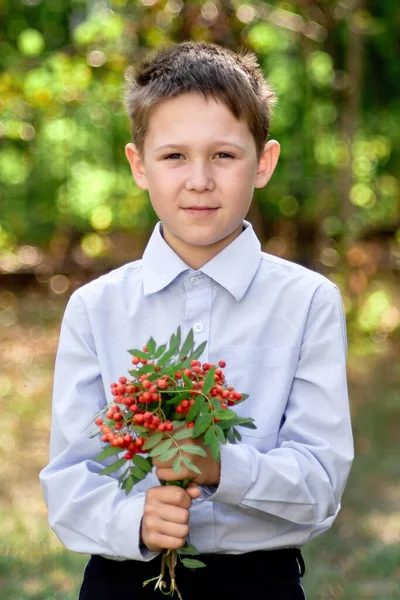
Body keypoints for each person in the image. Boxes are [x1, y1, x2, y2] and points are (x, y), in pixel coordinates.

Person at [39, 41, 354, 600]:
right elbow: (69, 484)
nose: (200, 179)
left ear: (264, 163)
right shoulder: (96, 308)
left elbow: (321, 484)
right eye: (174, 156)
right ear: (139, 165)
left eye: (224, 156)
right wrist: (134, 519)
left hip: (259, 583)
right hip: (123, 581)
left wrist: (218, 467)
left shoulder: (307, 302)